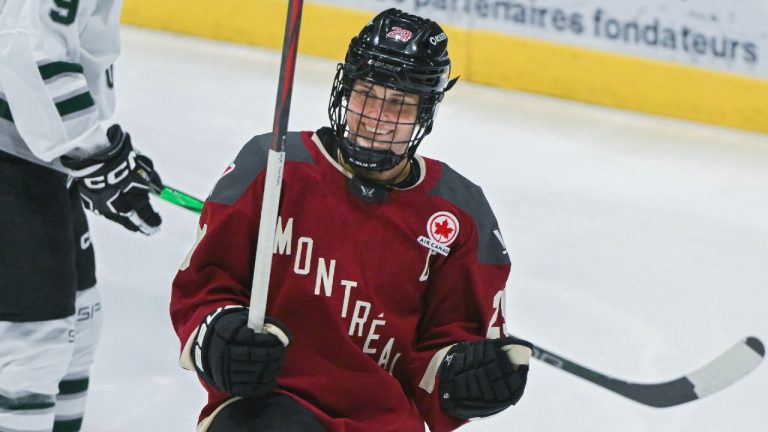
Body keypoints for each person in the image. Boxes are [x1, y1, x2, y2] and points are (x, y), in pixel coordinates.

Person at [171, 8, 532, 432]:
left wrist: (464, 378)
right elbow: (204, 285)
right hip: (271, 406)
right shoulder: (273, 166)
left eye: (398, 103)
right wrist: (220, 336)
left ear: (425, 112)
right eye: (367, 93)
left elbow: (444, 358)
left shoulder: (459, 214)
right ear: (345, 89)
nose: (376, 118)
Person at [0, 1, 163, 431]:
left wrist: (95, 149)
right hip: (14, 155)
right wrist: (94, 153)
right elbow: (28, 47)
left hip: (37, 152)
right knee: (32, 350)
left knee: (80, 325)